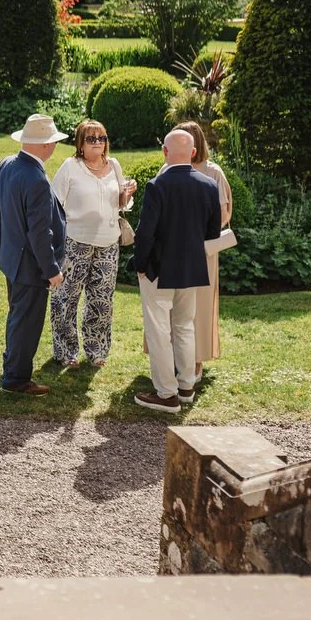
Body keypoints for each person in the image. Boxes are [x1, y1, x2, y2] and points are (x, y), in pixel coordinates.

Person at [130, 130, 221, 413]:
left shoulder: (157, 185)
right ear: (193, 152)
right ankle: (186, 387)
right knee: (184, 326)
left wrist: (140, 264)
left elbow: (145, 233)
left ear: (165, 153)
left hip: (159, 269)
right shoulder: (208, 185)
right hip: (192, 268)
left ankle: (167, 394)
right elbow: (213, 232)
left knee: (159, 330)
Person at [0, 114, 68, 397]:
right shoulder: (37, 179)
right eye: (53, 141)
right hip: (30, 266)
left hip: (13, 260)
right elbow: (40, 235)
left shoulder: (8, 164)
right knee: (26, 322)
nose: (55, 146)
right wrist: (52, 270)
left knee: (19, 316)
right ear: (45, 145)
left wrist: (5, 234)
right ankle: (16, 379)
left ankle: (13, 369)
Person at [49, 120, 135, 369]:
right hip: (75, 242)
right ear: (80, 143)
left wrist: (127, 194)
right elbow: (54, 205)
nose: (98, 142)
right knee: (66, 298)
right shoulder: (71, 167)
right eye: (92, 138)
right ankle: (66, 351)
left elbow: (120, 203)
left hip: (108, 244)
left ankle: (96, 349)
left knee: (101, 299)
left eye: (102, 138)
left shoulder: (114, 165)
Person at [164, 121, 232, 379]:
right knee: (172, 306)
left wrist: (195, 232)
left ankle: (195, 361)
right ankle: (170, 356)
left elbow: (223, 214)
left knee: (199, 308)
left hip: (202, 251)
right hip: (173, 250)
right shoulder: (167, 169)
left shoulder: (213, 173)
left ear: (194, 146)